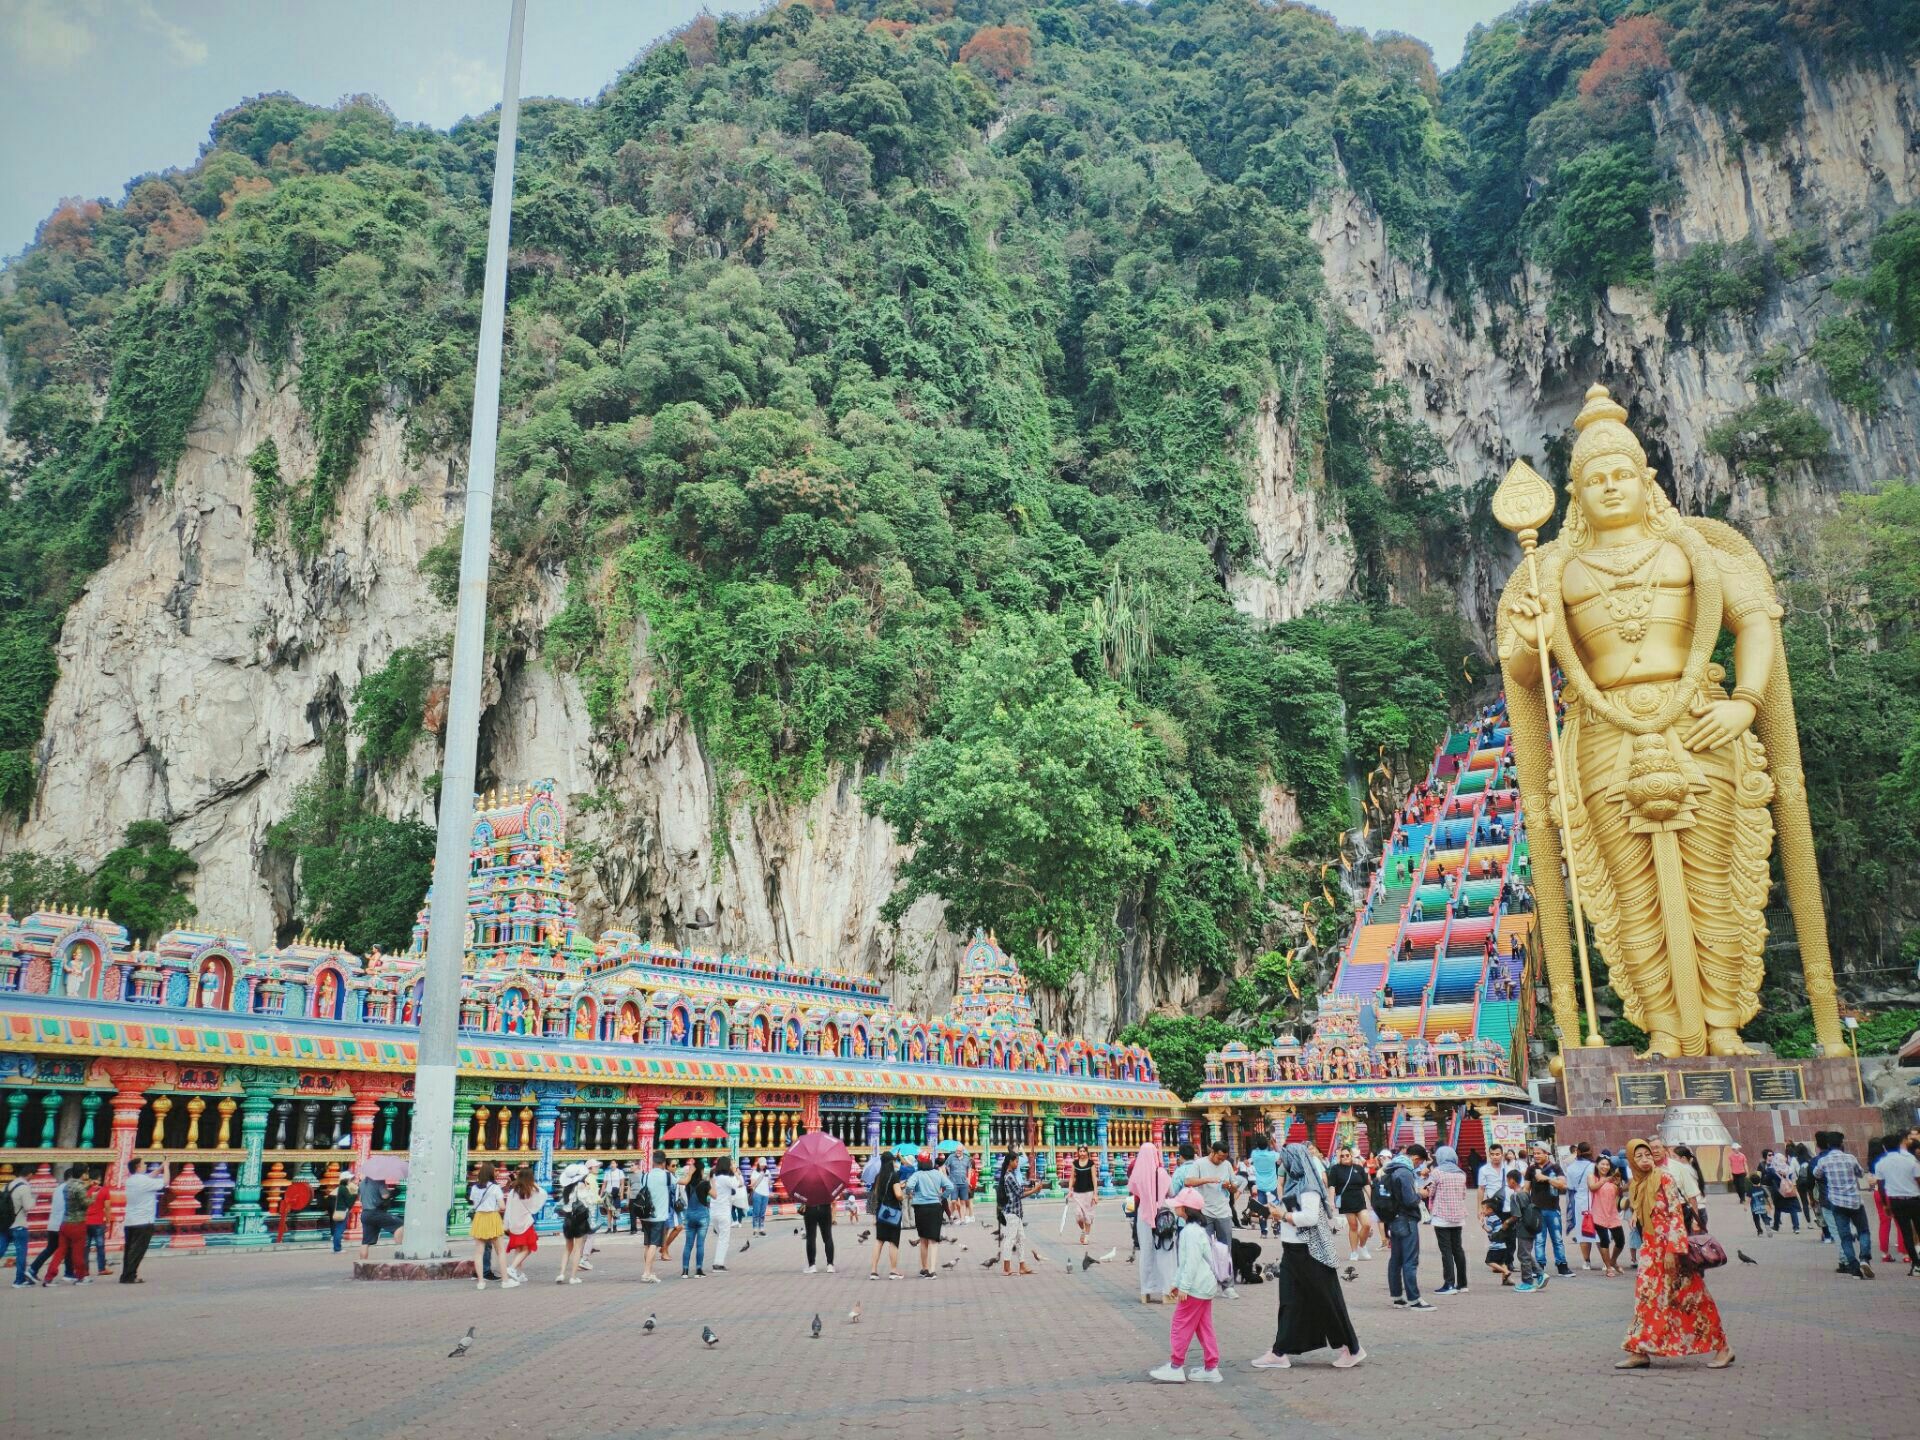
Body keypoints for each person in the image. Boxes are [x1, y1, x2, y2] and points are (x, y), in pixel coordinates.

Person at [1618, 1138, 1734, 1370]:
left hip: (1670, 1251)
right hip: (1650, 1252)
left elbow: (1676, 1215)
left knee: (1692, 1298)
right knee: (1645, 1300)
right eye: (1638, 1156)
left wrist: (1673, 1251)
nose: (1644, 1159)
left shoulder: (1664, 1177)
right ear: (1631, 1159)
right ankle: (1640, 1350)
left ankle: (1724, 1348)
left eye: (1647, 1155)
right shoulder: (1637, 1184)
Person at [1252, 1144, 1365, 1371]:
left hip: (1310, 1253)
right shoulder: (1295, 1183)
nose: (1281, 1164)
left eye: (1285, 1160)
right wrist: (1276, 1213)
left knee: (1328, 1300)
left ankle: (1353, 1348)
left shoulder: (1309, 1186)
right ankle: (1279, 1351)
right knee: (1290, 1302)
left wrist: (1283, 1214)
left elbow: (1310, 1217)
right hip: (1293, 1251)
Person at [1150, 1187, 1222, 1384]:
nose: (1176, 1209)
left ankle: (1176, 1366)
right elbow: (1188, 1263)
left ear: (1185, 1209)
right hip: (1204, 1285)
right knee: (1203, 1326)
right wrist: (1177, 1283)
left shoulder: (1189, 1233)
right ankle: (1211, 1366)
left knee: (1180, 1324)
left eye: (1178, 1206)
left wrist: (1183, 1287)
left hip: (1195, 1287)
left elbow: (1189, 1263)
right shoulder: (1197, 1231)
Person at [1813, 1131, 1873, 1280]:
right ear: (1841, 1144)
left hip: (1836, 1202)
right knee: (1863, 1231)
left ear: (1827, 1145)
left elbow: (1816, 1174)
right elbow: (1860, 1174)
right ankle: (1864, 1258)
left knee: (1844, 1236)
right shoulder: (1850, 1158)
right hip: (1855, 1201)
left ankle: (1854, 1268)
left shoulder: (1824, 1161)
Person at [1377, 1144, 1431, 1310]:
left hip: (1393, 1218)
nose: (1419, 1165)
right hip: (1406, 1219)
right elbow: (1409, 1200)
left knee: (1396, 1259)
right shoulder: (1405, 1172)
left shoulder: (1391, 1169)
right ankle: (1414, 1299)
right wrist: (1420, 1194)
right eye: (1420, 1162)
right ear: (1416, 1158)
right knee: (1410, 1260)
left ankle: (1397, 1297)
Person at [1129, 1140, 1176, 1305]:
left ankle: (1145, 1292)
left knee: (1146, 1252)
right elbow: (1171, 1193)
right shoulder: (1162, 1173)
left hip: (1143, 1215)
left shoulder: (1137, 1174)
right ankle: (1166, 1292)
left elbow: (1134, 1191)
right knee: (1164, 1252)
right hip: (1162, 1215)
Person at [1872, 1131, 1920, 1274]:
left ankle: (1916, 1265)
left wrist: (1886, 1205)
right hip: (1914, 1199)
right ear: (1900, 1145)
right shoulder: (1910, 1160)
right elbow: (1918, 1179)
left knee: (1906, 1233)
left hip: (1896, 1201)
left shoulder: (1881, 1163)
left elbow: (1880, 1185)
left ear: (1884, 1147)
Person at [1424, 1145, 1469, 1295]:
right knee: (1458, 1249)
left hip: (1442, 1217)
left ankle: (1449, 1283)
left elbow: (1430, 1192)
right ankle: (1462, 1284)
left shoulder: (1437, 1173)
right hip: (1458, 1216)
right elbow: (1463, 1195)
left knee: (1446, 1251)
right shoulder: (1461, 1174)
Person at [903, 1148, 955, 1276]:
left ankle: (924, 1268)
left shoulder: (917, 1174)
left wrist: (912, 1194)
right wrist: (942, 1197)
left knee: (923, 1239)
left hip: (920, 1208)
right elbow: (950, 1186)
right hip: (935, 1208)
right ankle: (932, 1270)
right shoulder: (937, 1174)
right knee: (933, 1240)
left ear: (919, 1162)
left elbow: (909, 1186)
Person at [26, 1163, 77, 1284]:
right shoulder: (69, 1189)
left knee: (51, 1249)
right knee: (64, 1249)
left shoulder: (58, 1188)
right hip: (62, 1224)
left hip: (53, 1223)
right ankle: (63, 1273)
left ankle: (33, 1269)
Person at [1525, 1143, 1570, 1276]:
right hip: (1536, 1209)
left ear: (1546, 1153)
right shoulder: (1531, 1169)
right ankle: (1539, 1267)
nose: (1536, 1156)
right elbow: (1526, 1189)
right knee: (1539, 1239)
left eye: (1539, 1153)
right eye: (1535, 1153)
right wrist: (1524, 1206)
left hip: (1553, 1209)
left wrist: (1547, 1178)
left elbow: (1563, 1185)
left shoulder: (1555, 1168)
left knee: (1557, 1239)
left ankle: (1562, 1266)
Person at [997, 1148, 1042, 1276]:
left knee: (1021, 1238)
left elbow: (1019, 1189)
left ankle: (1022, 1265)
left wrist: (1034, 1188)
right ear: (1010, 1162)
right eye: (1016, 1161)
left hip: (1016, 1212)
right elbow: (1020, 1193)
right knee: (1010, 1239)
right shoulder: (1009, 1176)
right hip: (1012, 1212)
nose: (1017, 1164)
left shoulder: (1010, 1175)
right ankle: (1006, 1268)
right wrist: (1035, 1190)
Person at [1325, 1146, 1372, 1260]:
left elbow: (1366, 1184)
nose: (1345, 1157)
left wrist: (1372, 1199)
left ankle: (1362, 1245)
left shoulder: (1358, 1168)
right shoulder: (1335, 1169)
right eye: (1342, 1156)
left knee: (1366, 1225)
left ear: (1351, 1155)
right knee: (1353, 1226)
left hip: (1359, 1199)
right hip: (1346, 1200)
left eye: (1347, 1155)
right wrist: (1331, 1202)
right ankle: (1354, 1252)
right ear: (1339, 1157)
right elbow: (1332, 1186)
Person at [468, 1163, 509, 1290]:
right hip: (492, 1217)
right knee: (500, 1251)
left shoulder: (474, 1188)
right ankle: (505, 1280)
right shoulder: (495, 1188)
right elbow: (502, 1207)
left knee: (479, 1252)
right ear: (491, 1174)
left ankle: (481, 1282)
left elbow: (474, 1203)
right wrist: (494, 1208)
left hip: (479, 1217)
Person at [503, 1165, 546, 1284]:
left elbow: (508, 1208)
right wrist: (534, 1184)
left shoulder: (513, 1191)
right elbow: (543, 1194)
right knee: (527, 1249)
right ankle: (512, 1268)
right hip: (525, 1223)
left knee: (519, 1248)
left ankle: (519, 1273)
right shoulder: (530, 1191)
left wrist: (506, 1223)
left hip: (514, 1223)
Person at [867, 1150, 905, 1280]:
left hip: (881, 1211)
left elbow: (877, 1192)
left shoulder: (878, 1176)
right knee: (893, 1241)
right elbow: (898, 1195)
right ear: (891, 1162)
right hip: (893, 1211)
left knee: (879, 1241)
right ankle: (893, 1270)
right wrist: (901, 1193)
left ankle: (873, 1271)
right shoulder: (893, 1175)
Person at [557, 1162, 597, 1284]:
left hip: (568, 1219)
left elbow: (562, 1205)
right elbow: (590, 1202)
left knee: (567, 1249)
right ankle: (573, 1277)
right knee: (577, 1249)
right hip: (579, 1220)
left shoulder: (566, 1189)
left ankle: (561, 1274)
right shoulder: (582, 1186)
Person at [1588, 1155, 1626, 1276]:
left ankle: (1613, 1260)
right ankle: (1608, 1267)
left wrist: (1618, 1185)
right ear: (1597, 1165)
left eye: (1607, 1164)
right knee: (1604, 1240)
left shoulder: (1613, 1178)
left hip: (1612, 1213)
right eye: (1602, 1164)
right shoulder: (1592, 1177)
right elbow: (1592, 1188)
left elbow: (1618, 1194)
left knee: (1620, 1241)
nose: (1605, 1166)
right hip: (1598, 1213)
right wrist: (1604, 1179)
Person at [1507, 1169, 1544, 1290]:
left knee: (1523, 1256)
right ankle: (1540, 1274)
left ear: (1512, 1181)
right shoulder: (1525, 1193)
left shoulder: (1515, 1196)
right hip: (1531, 1226)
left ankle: (1528, 1282)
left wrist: (1506, 1223)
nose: (1507, 1182)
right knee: (1526, 1254)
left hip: (1523, 1228)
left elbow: (1516, 1215)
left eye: (1507, 1180)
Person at [639, 1152, 672, 1284]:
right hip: (659, 1216)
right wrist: (691, 1172)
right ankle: (646, 1273)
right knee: (654, 1244)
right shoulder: (667, 1176)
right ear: (664, 1163)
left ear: (653, 1162)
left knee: (647, 1244)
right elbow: (683, 1182)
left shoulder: (646, 1176)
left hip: (646, 1215)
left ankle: (649, 1271)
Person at [1564, 1141, 1596, 1271]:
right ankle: (1606, 1263)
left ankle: (1586, 1262)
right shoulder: (1594, 1166)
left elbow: (1570, 1187)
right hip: (1595, 1199)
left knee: (1583, 1232)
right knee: (1599, 1231)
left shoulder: (1570, 1168)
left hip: (1579, 1201)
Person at [357, 1173, 403, 1259]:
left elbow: (360, 1198)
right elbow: (385, 1196)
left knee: (365, 1242)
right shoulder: (379, 1181)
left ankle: (362, 1263)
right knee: (400, 1225)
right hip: (376, 1212)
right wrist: (391, 1192)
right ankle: (400, 1252)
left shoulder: (362, 1183)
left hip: (365, 1214)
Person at [679, 1158, 712, 1278]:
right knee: (700, 1244)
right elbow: (715, 1195)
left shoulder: (688, 1184)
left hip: (689, 1215)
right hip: (702, 1215)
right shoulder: (705, 1184)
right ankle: (698, 1270)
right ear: (702, 1170)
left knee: (688, 1244)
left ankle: (685, 1271)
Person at [1, 1169, 31, 1288]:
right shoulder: (24, 1187)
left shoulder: (7, 1186)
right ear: (30, 1174)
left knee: (1, 1249)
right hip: (19, 1224)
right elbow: (28, 1206)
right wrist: (34, 1199)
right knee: (21, 1253)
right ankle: (19, 1280)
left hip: (5, 1224)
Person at [708, 1157, 739, 1271]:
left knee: (722, 1237)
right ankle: (718, 1263)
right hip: (723, 1211)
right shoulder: (727, 1178)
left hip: (713, 1210)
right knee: (724, 1238)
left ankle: (719, 1261)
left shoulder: (714, 1176)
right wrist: (735, 1172)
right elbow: (738, 1184)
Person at [1248, 1132, 1280, 1239]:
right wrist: (1274, 1144)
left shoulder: (1254, 1154)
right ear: (1267, 1145)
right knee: (1274, 1207)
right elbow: (1280, 1153)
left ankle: (1264, 1232)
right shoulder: (1272, 1155)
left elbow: (1254, 1154)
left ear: (1257, 1145)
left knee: (1262, 1209)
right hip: (1272, 1185)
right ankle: (1276, 1229)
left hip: (1260, 1185)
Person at [1765, 1147, 1802, 1234]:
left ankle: (1776, 1226)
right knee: (1793, 1209)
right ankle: (1796, 1227)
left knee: (1778, 1208)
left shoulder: (1772, 1170)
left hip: (1778, 1192)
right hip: (1789, 1190)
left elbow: (1767, 1181)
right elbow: (1793, 1179)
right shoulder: (1789, 1168)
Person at [802, 1183, 836, 1274]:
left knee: (811, 1237)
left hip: (810, 1208)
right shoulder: (826, 1178)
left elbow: (801, 1196)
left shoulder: (805, 1179)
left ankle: (812, 1265)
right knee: (828, 1237)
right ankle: (830, 1265)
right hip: (825, 1208)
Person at [1069, 1145, 1099, 1245]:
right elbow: (1072, 1177)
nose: (1082, 1153)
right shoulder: (1075, 1163)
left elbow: (1094, 1178)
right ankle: (1082, 1230)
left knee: (1087, 1216)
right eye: (1080, 1151)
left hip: (1089, 1193)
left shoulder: (1091, 1163)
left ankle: (1087, 1235)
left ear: (1087, 1152)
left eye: (1083, 1151)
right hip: (1077, 1193)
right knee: (1078, 1215)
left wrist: (1095, 1194)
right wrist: (1070, 1190)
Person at [83, 1170, 112, 1276]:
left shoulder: (84, 1190)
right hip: (98, 1222)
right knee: (100, 1246)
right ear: (99, 1179)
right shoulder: (104, 1190)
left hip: (86, 1221)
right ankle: (102, 1268)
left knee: (85, 1247)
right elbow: (107, 1207)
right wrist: (108, 1221)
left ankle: (85, 1270)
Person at [1482, 1195, 1514, 1285]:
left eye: (1484, 1209)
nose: (1482, 1211)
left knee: (1489, 1261)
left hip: (1496, 1245)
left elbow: (1489, 1229)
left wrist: (1482, 1224)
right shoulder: (1496, 1217)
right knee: (1501, 1262)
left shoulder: (1490, 1219)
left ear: (1490, 1210)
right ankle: (1506, 1280)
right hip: (1502, 1245)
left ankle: (1505, 1272)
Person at [328, 1170, 356, 1254]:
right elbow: (349, 1202)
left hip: (339, 1210)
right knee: (340, 1229)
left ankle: (336, 1247)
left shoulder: (341, 1188)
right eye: (350, 1179)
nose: (351, 1181)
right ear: (346, 1180)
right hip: (342, 1210)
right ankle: (337, 1248)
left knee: (338, 1229)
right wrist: (354, 1194)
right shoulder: (344, 1189)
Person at [944, 1143, 973, 1225]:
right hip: (953, 1183)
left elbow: (969, 1169)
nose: (958, 1152)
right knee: (953, 1201)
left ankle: (962, 1219)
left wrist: (969, 1179)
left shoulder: (967, 1159)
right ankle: (952, 1215)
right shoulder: (951, 1157)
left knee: (963, 1202)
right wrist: (947, 1177)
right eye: (957, 1150)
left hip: (964, 1183)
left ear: (963, 1151)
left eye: (959, 1151)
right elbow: (945, 1166)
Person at [749, 1158, 773, 1235]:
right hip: (757, 1193)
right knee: (756, 1212)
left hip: (766, 1194)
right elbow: (752, 1184)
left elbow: (769, 1183)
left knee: (762, 1213)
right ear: (758, 1164)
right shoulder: (754, 1172)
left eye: (764, 1165)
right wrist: (760, 1176)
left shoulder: (768, 1172)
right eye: (762, 1164)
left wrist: (770, 1182)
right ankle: (755, 1229)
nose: (763, 1166)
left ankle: (761, 1228)